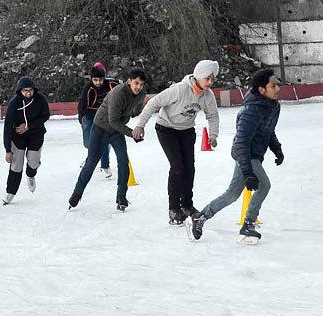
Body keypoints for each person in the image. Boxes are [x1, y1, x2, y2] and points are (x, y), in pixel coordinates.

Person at [185, 68, 283, 245]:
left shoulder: (273, 106)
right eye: (273, 85)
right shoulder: (250, 111)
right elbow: (241, 143)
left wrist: (277, 149)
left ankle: (200, 217)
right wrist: (247, 172)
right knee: (265, 186)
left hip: (254, 155)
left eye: (277, 85)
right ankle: (249, 223)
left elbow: (268, 130)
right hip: (245, 154)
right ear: (262, 90)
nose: (278, 89)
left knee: (232, 194)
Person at [133, 60, 220, 225]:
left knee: (189, 167)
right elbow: (153, 103)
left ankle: (187, 205)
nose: (210, 82)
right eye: (207, 78)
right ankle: (174, 209)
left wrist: (213, 135)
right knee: (177, 166)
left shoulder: (207, 96)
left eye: (212, 79)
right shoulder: (179, 90)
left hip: (186, 131)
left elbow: (213, 115)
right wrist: (140, 125)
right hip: (166, 129)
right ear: (199, 76)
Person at [69, 68, 147, 212]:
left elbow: (134, 113)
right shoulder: (118, 93)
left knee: (123, 161)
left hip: (116, 130)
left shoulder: (141, 93)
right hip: (101, 128)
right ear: (129, 81)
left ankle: (121, 197)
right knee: (91, 163)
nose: (138, 87)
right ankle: (76, 194)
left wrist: (141, 104)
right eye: (136, 83)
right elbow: (113, 121)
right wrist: (132, 133)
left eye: (141, 84)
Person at [2, 76, 50, 205]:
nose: (28, 93)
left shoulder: (40, 99)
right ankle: (10, 192)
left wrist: (28, 125)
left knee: (33, 162)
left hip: (36, 134)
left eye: (30, 90)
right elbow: (7, 127)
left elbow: (46, 116)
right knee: (16, 164)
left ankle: (30, 174)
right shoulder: (14, 103)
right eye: (25, 91)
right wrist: (7, 150)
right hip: (18, 136)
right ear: (20, 91)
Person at [77, 62, 118, 177]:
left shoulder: (110, 84)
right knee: (89, 143)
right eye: (95, 80)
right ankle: (90, 157)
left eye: (100, 80)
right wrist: (82, 119)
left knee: (102, 140)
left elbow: (123, 87)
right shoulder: (88, 88)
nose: (98, 83)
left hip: (104, 116)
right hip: (90, 115)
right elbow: (82, 105)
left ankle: (105, 165)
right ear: (92, 79)